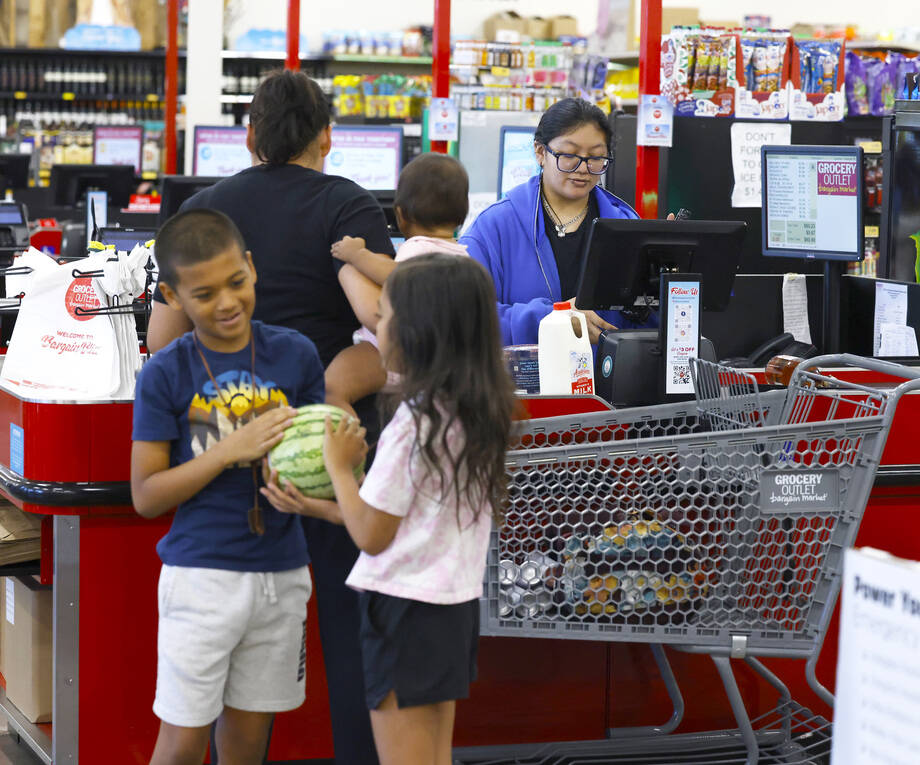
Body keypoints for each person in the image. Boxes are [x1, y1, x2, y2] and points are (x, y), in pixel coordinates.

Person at [145, 69, 390, 765]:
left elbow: (162, 340)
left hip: (229, 455)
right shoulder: (348, 205)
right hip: (326, 455)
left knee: (221, 675)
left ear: (248, 137)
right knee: (345, 637)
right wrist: (338, 382)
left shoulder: (207, 209)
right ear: (327, 138)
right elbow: (395, 334)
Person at [263, 254, 516, 765]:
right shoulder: (469, 414)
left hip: (402, 615)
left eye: (384, 317)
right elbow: (406, 524)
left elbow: (373, 537)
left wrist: (337, 466)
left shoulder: (412, 425)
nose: (376, 329)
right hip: (449, 611)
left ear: (419, 333)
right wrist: (317, 506)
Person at [131, 209, 323, 765]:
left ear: (252, 267)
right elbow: (146, 495)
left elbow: (318, 458)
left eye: (236, 282)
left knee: (246, 740)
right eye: (205, 292)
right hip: (201, 579)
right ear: (172, 294)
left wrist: (340, 460)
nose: (227, 303)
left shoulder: (295, 353)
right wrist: (228, 452)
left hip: (282, 573)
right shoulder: (166, 373)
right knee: (184, 739)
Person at [460, 97, 658, 347]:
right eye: (569, 155)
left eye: (596, 157)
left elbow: (647, 330)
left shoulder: (626, 225)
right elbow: (464, 314)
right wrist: (552, 319)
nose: (583, 168)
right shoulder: (495, 227)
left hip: (606, 383)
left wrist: (667, 274)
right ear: (540, 152)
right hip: (524, 383)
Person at [326, 152, 472, 413]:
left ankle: (348, 445)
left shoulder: (418, 247)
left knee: (333, 389)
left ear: (400, 215)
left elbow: (400, 276)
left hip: (386, 355)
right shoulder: (463, 256)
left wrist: (357, 255)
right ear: (462, 216)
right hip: (436, 366)